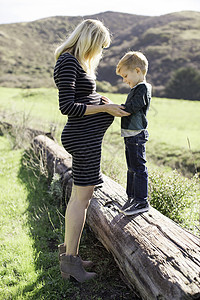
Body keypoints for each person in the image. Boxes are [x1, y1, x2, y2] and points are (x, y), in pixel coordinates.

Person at [54, 19, 129, 283]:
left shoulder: (75, 63)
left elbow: (82, 99)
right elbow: (68, 107)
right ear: (89, 40)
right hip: (82, 139)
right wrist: (104, 108)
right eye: (99, 45)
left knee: (80, 198)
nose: (99, 51)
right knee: (81, 200)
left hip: (87, 138)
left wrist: (101, 100)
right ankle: (71, 264)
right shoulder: (68, 62)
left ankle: (68, 255)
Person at [116, 51, 152, 216]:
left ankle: (141, 201)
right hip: (131, 135)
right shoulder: (137, 87)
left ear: (137, 71)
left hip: (136, 135)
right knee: (131, 167)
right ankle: (131, 196)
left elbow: (132, 107)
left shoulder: (142, 88)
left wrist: (115, 108)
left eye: (125, 75)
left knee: (138, 168)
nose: (124, 80)